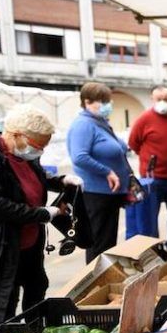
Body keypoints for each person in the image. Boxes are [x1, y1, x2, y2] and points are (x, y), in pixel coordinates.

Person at [0, 105, 81, 330]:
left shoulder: (21, 152)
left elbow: (35, 176)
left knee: (37, 286)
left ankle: (36, 332)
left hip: (30, 242)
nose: (40, 152)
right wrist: (42, 214)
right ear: (16, 135)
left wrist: (60, 181)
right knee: (6, 301)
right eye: (38, 146)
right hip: (3, 246)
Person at [68, 82, 131, 264]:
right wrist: (107, 172)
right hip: (96, 194)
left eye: (108, 101)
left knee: (107, 241)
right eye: (102, 102)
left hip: (109, 193)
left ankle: (105, 277)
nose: (107, 106)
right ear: (87, 102)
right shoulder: (83, 125)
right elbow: (79, 157)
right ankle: (96, 282)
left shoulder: (99, 123)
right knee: (98, 242)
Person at [128, 85, 167, 256]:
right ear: (152, 99)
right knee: (150, 216)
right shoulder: (144, 119)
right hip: (153, 179)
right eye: (159, 99)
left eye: (166, 99)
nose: (163, 102)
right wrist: (148, 157)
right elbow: (133, 143)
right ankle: (154, 248)